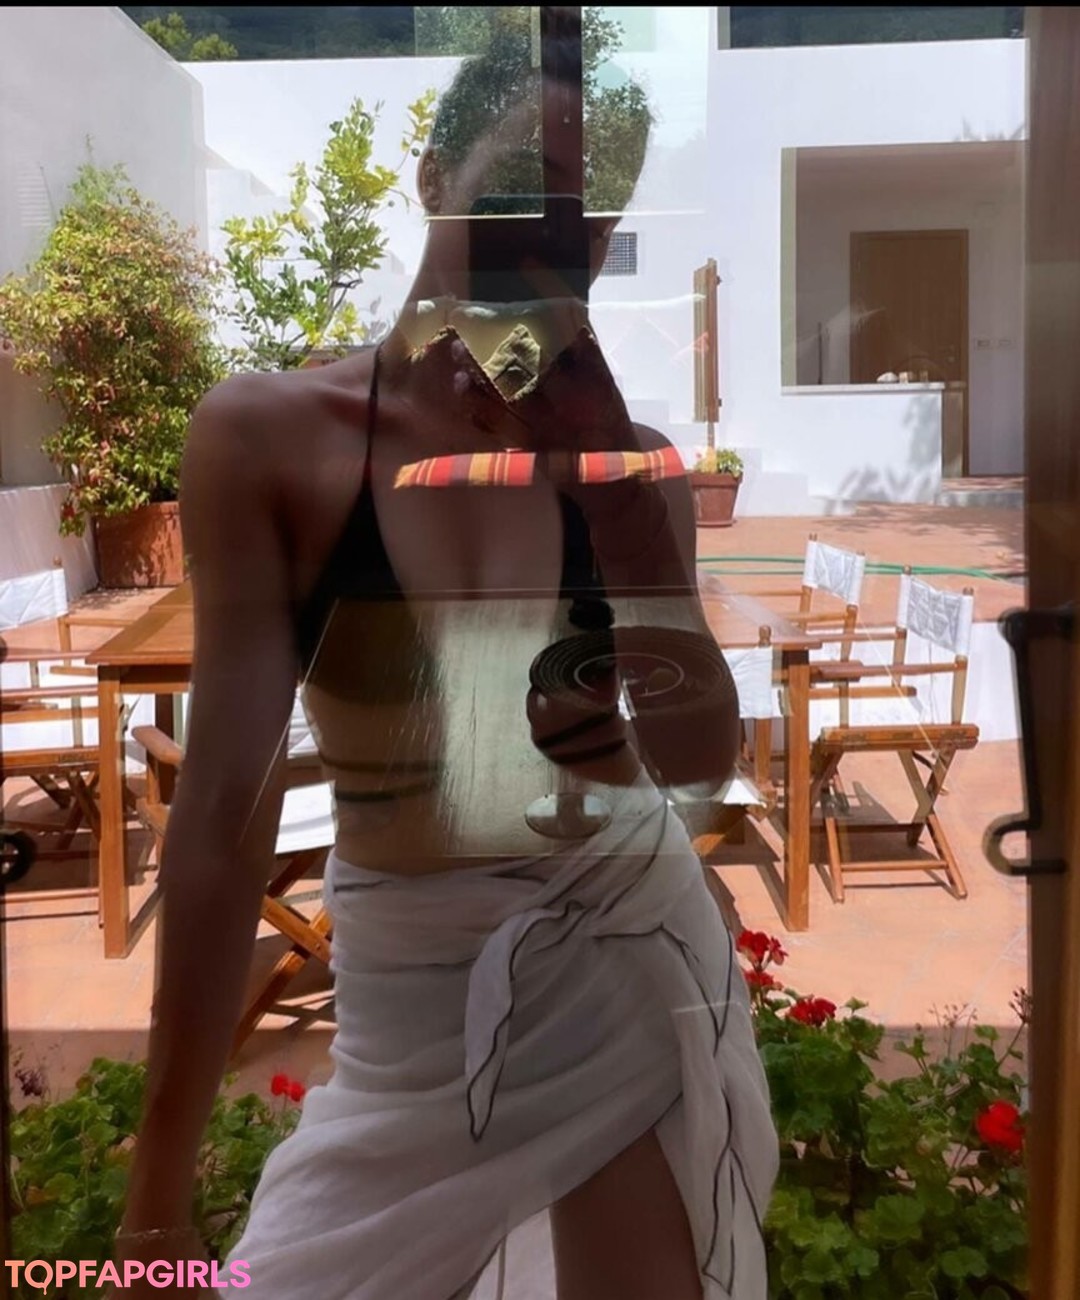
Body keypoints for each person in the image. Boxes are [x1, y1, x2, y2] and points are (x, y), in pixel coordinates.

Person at [115, 26, 778, 1300]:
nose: (550, 230)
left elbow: (700, 764)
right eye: (520, 177)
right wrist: (159, 1181)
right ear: (432, 173)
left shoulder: (632, 464)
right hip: (406, 1016)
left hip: (620, 979)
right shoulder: (271, 439)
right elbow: (221, 821)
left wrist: (623, 509)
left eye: (588, 210)